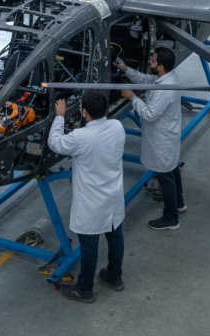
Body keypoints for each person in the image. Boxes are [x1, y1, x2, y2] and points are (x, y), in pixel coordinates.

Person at [48, 90, 126, 303]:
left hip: (92, 203)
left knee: (89, 245)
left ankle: (84, 290)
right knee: (115, 237)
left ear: (84, 112)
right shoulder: (117, 126)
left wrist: (60, 116)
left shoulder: (80, 137)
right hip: (113, 197)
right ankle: (115, 277)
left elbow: (55, 143)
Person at [115, 47, 184, 230]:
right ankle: (179, 203)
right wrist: (126, 69)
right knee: (172, 169)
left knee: (165, 177)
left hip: (162, 140)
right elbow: (147, 79)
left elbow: (149, 114)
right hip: (168, 135)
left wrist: (133, 98)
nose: (150, 62)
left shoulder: (163, 90)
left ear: (161, 67)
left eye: (153, 61)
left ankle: (171, 218)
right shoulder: (168, 76)